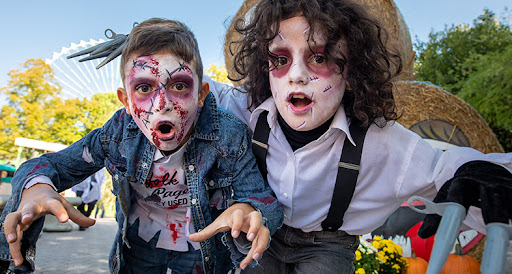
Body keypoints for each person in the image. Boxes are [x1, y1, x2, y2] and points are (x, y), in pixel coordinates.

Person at [204, 0, 512, 273]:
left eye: (319, 58)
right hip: (264, 232)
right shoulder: (244, 110)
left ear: (351, 74)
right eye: (281, 60)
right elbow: (191, 84)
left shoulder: (381, 141)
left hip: (328, 245)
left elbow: (446, 166)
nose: (296, 75)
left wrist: (477, 172)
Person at [0, 18, 282, 274]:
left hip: (201, 251)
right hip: (139, 249)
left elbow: (263, 200)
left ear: (200, 94)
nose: (162, 105)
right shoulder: (119, 133)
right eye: (144, 88)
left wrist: (250, 212)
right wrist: (36, 188)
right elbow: (47, 166)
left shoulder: (228, 135)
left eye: (180, 86)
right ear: (125, 101)